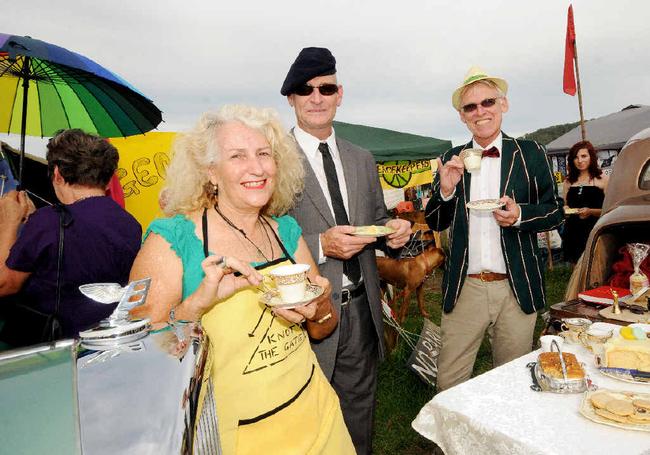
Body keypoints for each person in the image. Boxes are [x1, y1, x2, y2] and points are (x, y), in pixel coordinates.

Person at [128, 105, 355, 455]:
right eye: (237, 156)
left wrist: (321, 306)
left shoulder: (287, 232)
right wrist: (195, 305)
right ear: (211, 172)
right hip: (233, 436)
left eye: (264, 153)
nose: (257, 167)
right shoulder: (173, 240)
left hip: (317, 416)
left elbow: (322, 329)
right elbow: (140, 359)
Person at [281, 47, 411, 454]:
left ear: (340, 94)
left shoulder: (361, 158)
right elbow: (262, 237)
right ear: (291, 99)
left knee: (358, 411)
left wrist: (392, 229)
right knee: (303, 417)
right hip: (301, 314)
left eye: (326, 87)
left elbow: (373, 216)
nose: (316, 97)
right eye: (305, 90)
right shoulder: (272, 160)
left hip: (359, 307)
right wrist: (320, 244)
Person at [425, 66, 564, 391]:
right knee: (449, 383)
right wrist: (445, 191)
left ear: (503, 105)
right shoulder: (450, 158)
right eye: (470, 107)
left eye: (487, 102)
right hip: (465, 289)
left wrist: (519, 215)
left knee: (513, 383)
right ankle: (450, 443)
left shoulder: (531, 154)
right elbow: (435, 220)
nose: (480, 112)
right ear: (462, 116)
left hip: (515, 288)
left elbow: (555, 212)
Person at [0, 129, 142, 345]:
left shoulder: (48, 222)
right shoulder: (130, 224)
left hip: (51, 351)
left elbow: (4, 284)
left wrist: (9, 223)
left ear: (57, 173)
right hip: (103, 343)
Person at [562, 140, 609, 264]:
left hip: (595, 230)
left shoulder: (602, 179)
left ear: (591, 157)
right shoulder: (568, 181)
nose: (580, 160)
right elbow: (565, 204)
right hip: (573, 230)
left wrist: (591, 211)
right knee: (576, 266)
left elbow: (610, 210)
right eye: (576, 157)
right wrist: (565, 210)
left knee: (596, 266)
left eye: (584, 156)